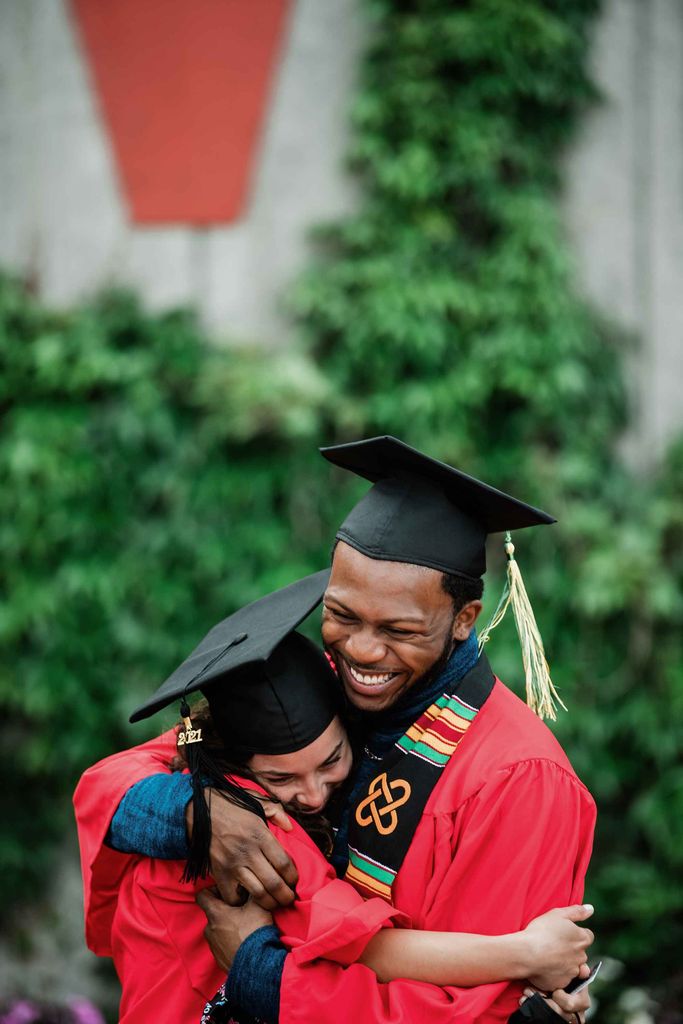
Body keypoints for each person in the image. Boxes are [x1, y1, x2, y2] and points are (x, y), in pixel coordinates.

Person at [76, 437, 597, 1023]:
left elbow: (478, 1011)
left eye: (399, 629)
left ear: (463, 620)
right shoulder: (319, 690)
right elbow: (129, 772)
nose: (362, 650)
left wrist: (263, 973)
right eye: (341, 615)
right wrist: (197, 814)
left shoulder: (519, 780)